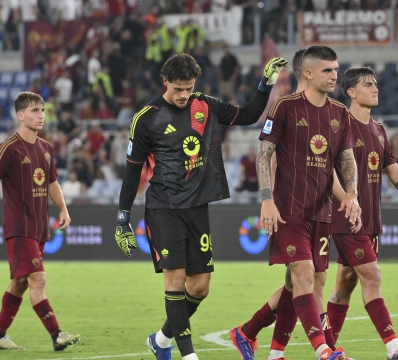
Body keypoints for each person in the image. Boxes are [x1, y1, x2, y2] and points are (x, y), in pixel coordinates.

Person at [114, 53, 289, 360]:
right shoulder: (146, 118)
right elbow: (132, 170)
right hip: (163, 208)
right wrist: (122, 218)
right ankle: (188, 355)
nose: (184, 94)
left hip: (196, 207)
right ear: (165, 82)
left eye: (189, 87)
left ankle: (162, 339)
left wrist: (265, 84)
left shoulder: (204, 105)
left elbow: (248, 115)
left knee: (200, 288)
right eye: (178, 88)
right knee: (176, 280)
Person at [230, 48, 348, 360]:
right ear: (307, 73)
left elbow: (337, 165)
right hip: (288, 209)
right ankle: (324, 350)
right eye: (327, 70)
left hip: (321, 212)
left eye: (335, 69)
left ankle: (256, 339)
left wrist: (350, 198)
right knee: (304, 274)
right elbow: (264, 155)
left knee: (301, 283)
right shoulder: (285, 107)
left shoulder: (338, 112)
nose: (334, 74)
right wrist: (266, 200)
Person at [326, 67, 398, 360]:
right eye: (368, 85)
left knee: (345, 286)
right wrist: (346, 199)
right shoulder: (339, 125)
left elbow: (393, 170)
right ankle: (392, 344)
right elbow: (325, 171)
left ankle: (326, 348)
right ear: (351, 92)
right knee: (372, 276)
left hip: (371, 220)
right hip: (346, 218)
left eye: (375, 84)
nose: (375, 89)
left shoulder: (378, 129)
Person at [0, 92, 80, 351]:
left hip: (39, 228)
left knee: (20, 282)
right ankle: (57, 335)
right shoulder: (9, 148)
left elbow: (52, 182)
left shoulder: (46, 148)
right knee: (38, 280)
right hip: (19, 228)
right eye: (33, 111)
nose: (40, 115)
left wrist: (63, 208)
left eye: (42, 110)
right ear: (20, 115)